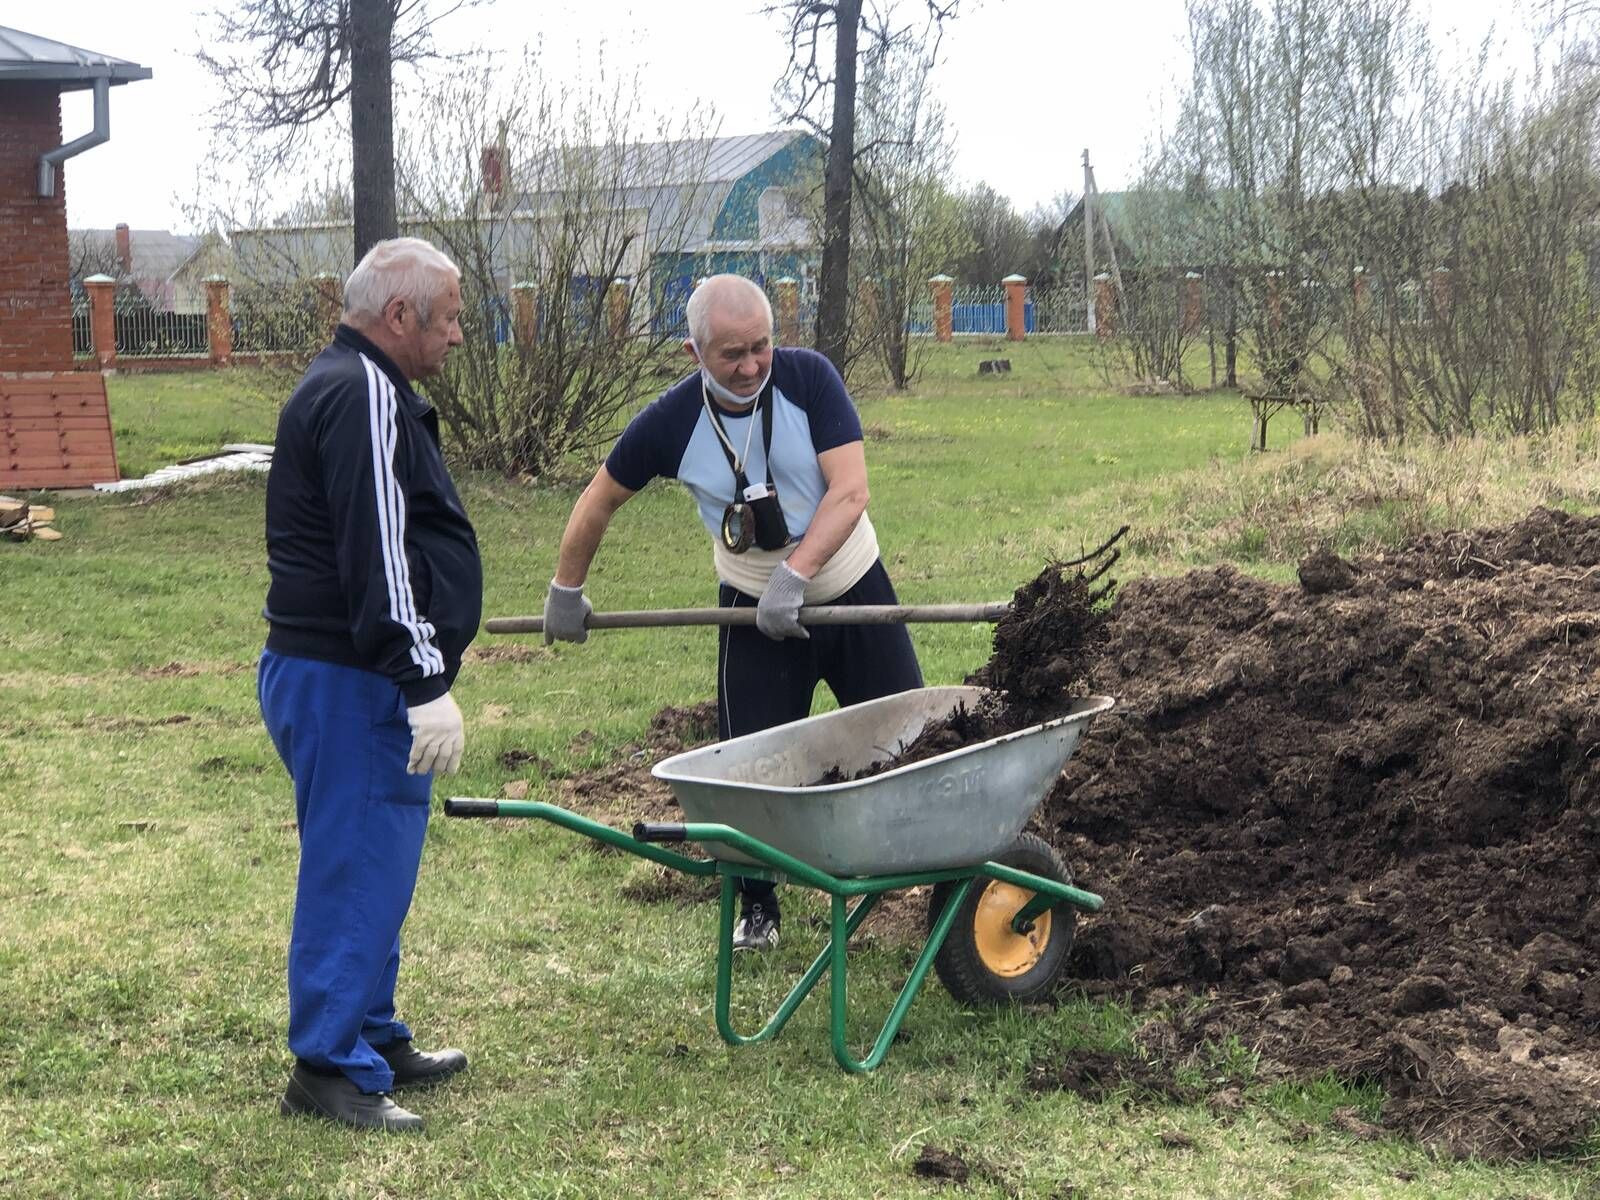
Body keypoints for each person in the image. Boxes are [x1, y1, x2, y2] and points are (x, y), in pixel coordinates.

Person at [543, 273, 923, 951]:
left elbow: (851, 492)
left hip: (853, 590)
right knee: (748, 770)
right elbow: (598, 498)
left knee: (917, 741)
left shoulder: (809, 380)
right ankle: (758, 906)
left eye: (761, 347)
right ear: (695, 355)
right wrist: (565, 590)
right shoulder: (672, 421)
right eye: (732, 354)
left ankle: (939, 880)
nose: (751, 365)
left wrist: (797, 575)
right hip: (751, 615)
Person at [257, 236, 482, 1132]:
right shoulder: (362, 395)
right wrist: (422, 677)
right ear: (400, 316)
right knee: (354, 867)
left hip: (342, 675)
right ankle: (326, 1066)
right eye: (453, 316)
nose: (461, 335)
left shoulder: (355, 384)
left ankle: (372, 1033)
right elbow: (378, 555)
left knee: (378, 862)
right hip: (351, 680)